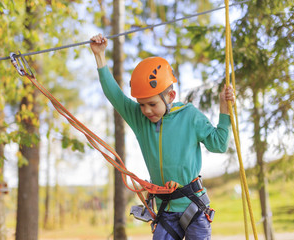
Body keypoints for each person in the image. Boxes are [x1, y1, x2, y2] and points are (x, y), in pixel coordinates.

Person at [90, 33, 235, 240]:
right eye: (141, 104)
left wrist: (224, 108)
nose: (147, 111)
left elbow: (219, 144)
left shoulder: (189, 116)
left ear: (171, 96)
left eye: (152, 104)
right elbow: (114, 94)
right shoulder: (140, 119)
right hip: (165, 211)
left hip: (193, 205)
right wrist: (100, 56)